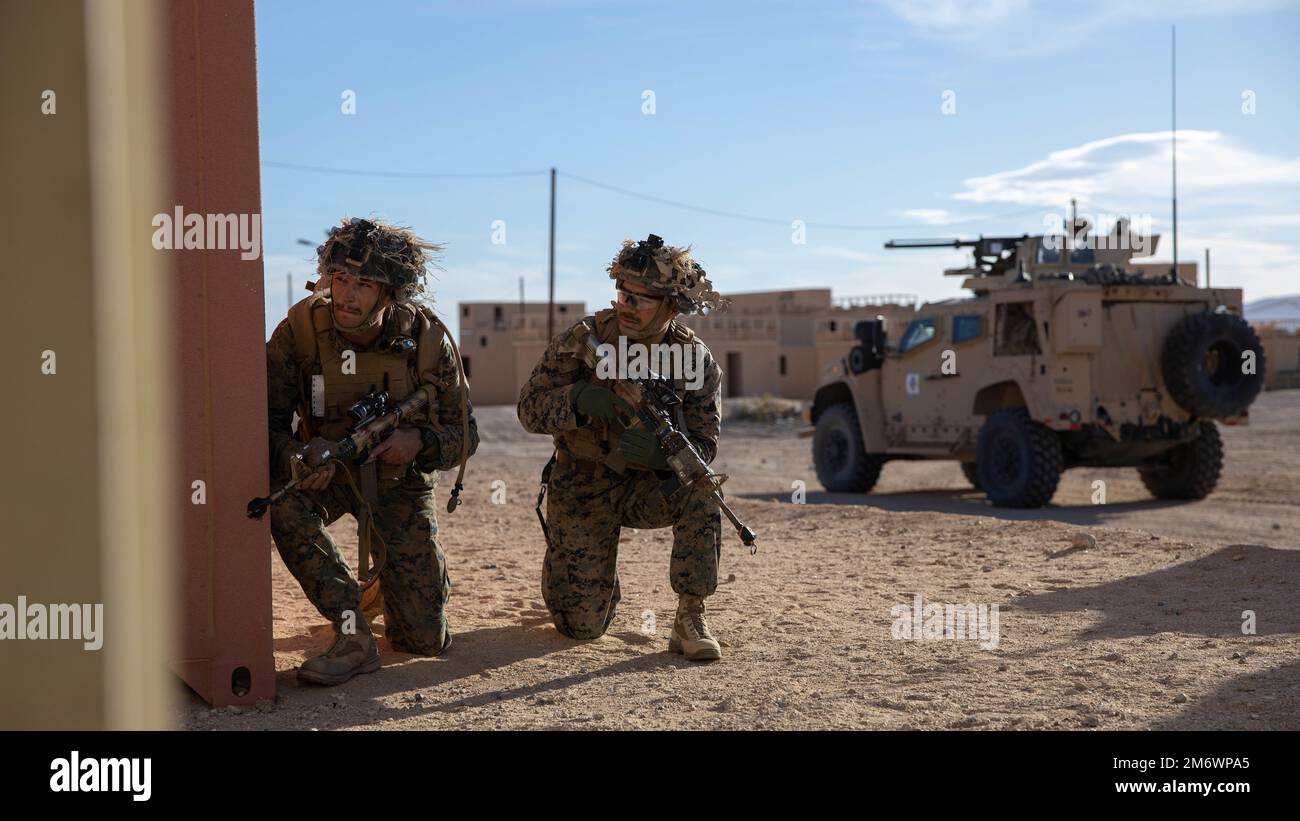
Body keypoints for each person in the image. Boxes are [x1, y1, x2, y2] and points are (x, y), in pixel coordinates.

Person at [266, 217, 477, 685]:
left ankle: (395, 582)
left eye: (364, 284)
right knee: (284, 504)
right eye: (340, 279)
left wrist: (417, 442)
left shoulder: (426, 340)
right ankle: (353, 634)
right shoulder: (299, 332)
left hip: (400, 481)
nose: (347, 295)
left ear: (391, 293)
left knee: (423, 640)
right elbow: (265, 426)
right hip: (331, 472)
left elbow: (466, 437)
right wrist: (297, 456)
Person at [517, 234, 729, 660]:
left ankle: (690, 614)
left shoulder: (694, 359)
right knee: (581, 627)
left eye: (642, 299)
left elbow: (705, 445)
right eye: (623, 294)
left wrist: (663, 458)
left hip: (647, 488)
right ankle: (580, 572)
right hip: (583, 480)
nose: (627, 306)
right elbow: (528, 409)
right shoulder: (582, 341)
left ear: (671, 306)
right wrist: (577, 400)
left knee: (703, 489)